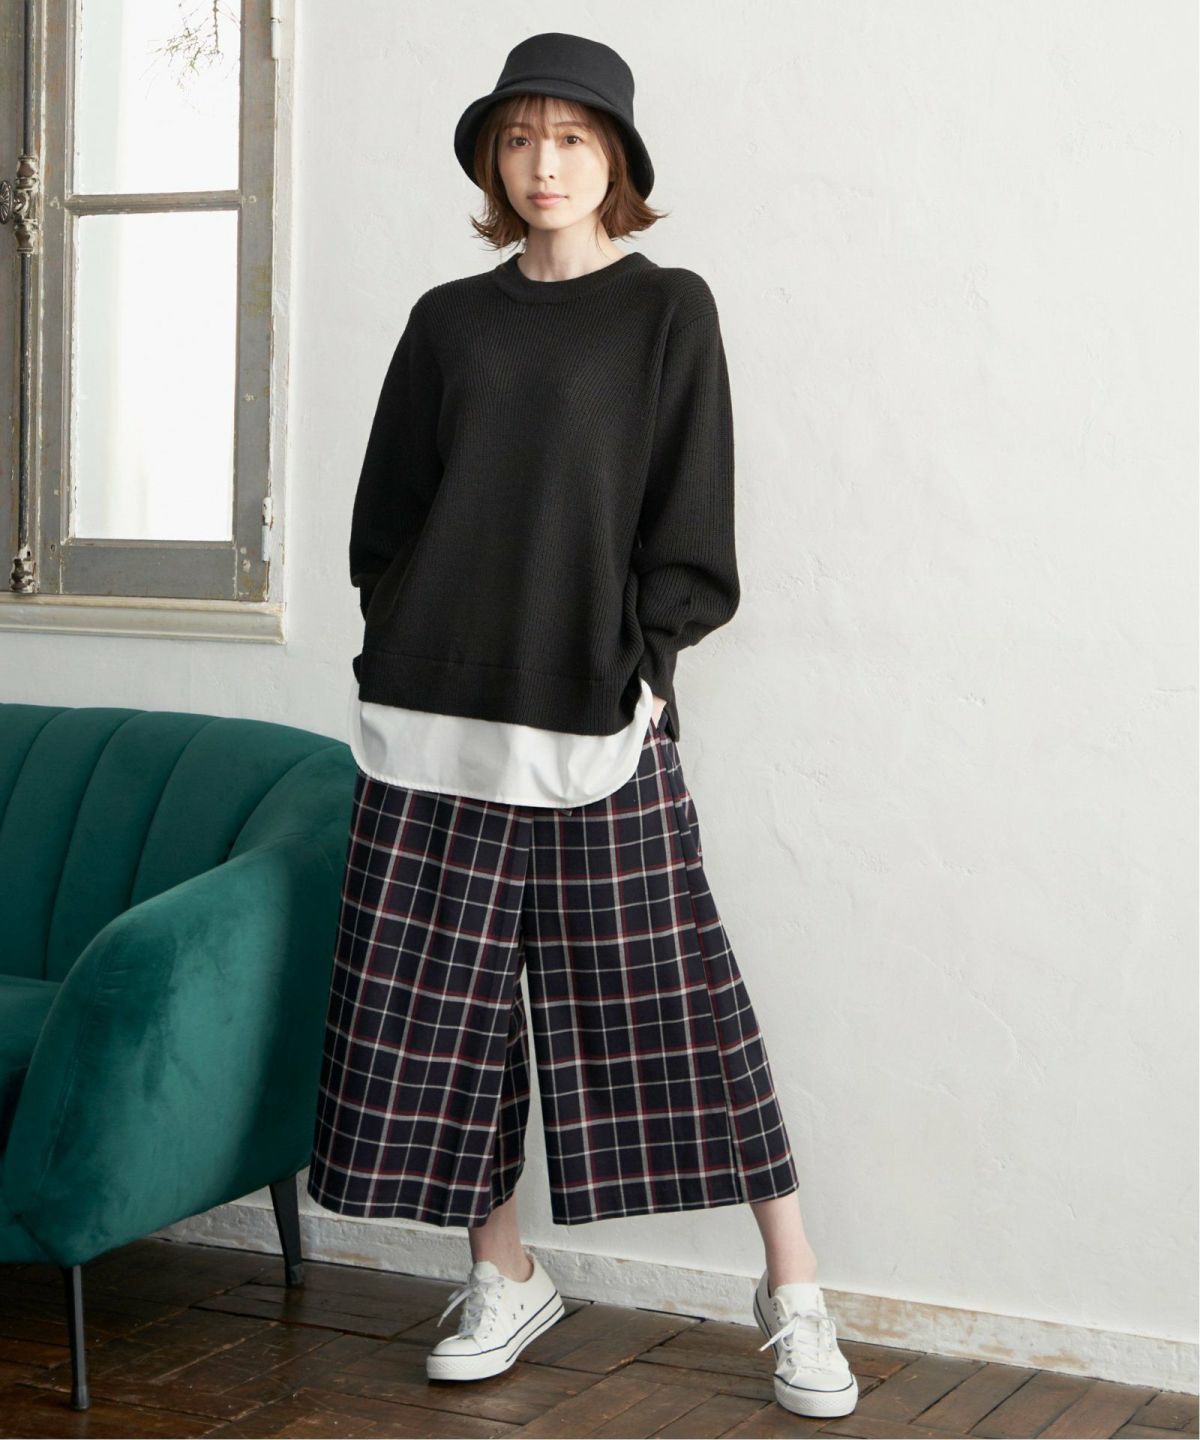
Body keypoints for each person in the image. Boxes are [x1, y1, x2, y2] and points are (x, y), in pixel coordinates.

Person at [305, 31, 858, 1421]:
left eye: (568, 137)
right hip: (436, 711)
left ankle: (794, 1291)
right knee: (442, 1005)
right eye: (517, 139)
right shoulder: (449, 322)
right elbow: (387, 517)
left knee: (680, 995)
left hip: (599, 708)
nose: (540, 164)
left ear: (616, 159)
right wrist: (399, 636)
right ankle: (501, 1270)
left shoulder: (669, 311)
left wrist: (649, 666)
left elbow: (691, 515)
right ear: (493, 163)